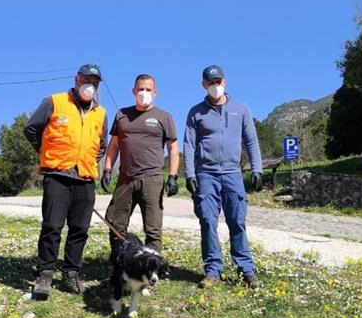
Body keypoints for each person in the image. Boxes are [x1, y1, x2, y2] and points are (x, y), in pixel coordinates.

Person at [23, 64, 107, 298]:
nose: (90, 85)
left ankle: (71, 273)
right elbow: (31, 129)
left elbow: (102, 144)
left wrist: (89, 160)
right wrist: (47, 153)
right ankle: (45, 274)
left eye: (95, 82)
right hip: (57, 175)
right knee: (52, 226)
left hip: (85, 177)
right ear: (77, 79)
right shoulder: (55, 102)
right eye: (86, 80)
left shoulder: (100, 113)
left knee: (80, 229)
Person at [183, 64, 263, 289]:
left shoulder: (241, 108)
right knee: (208, 221)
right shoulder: (195, 112)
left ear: (224, 82)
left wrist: (257, 169)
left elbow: (251, 140)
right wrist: (190, 174)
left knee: (237, 221)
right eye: (210, 83)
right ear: (204, 85)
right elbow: (189, 144)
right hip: (206, 174)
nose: (215, 86)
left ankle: (246, 271)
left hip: (232, 173)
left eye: (218, 82)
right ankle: (213, 271)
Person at [101, 73, 179, 260]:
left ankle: (152, 266)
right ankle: (119, 260)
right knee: (115, 221)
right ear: (133, 91)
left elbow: (173, 148)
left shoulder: (164, 117)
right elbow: (114, 145)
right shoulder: (122, 115)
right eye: (140, 89)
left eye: (148, 89)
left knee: (153, 228)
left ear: (155, 92)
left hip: (152, 179)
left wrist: (173, 175)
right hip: (126, 179)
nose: (144, 93)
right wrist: (107, 169)